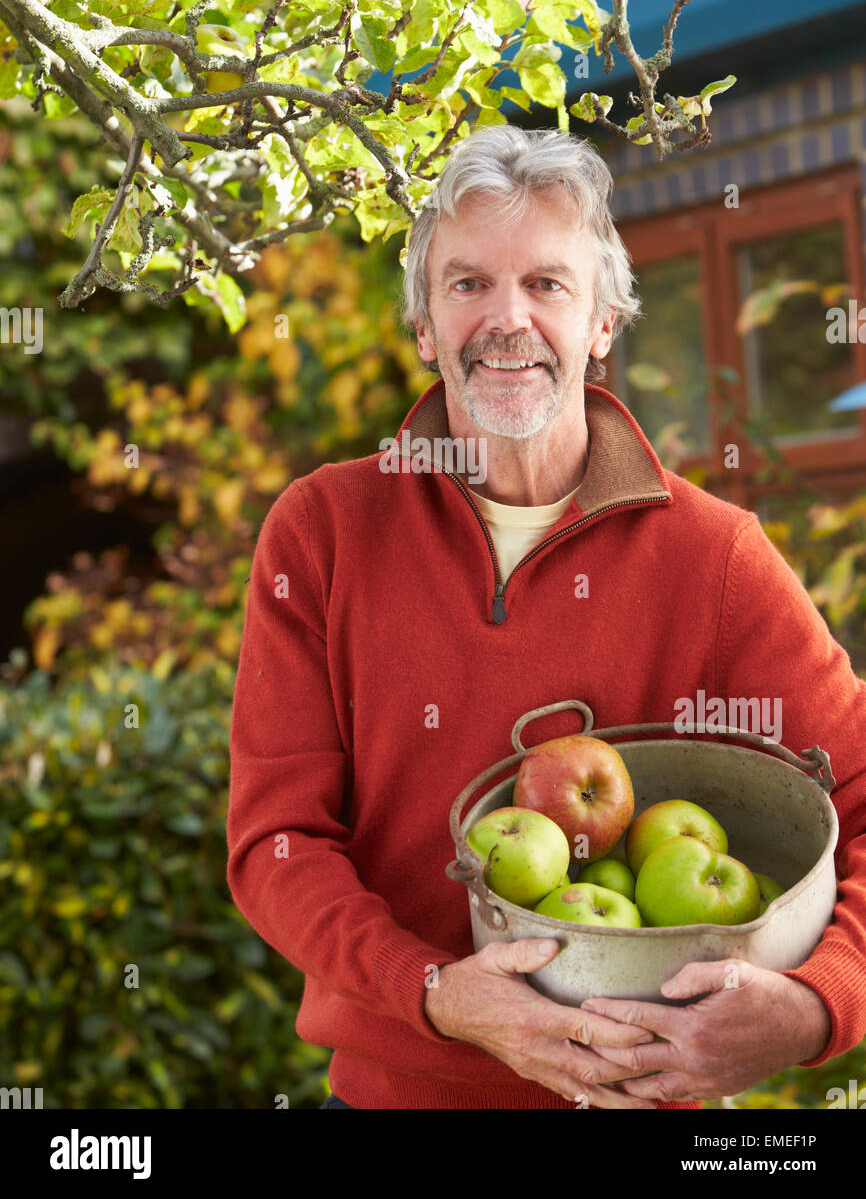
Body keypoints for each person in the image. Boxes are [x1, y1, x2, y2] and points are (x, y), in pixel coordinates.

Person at [226, 124, 866, 1110]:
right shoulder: (322, 532)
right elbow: (277, 843)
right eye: (468, 283)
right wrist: (437, 994)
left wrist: (817, 1005)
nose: (506, 319)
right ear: (424, 326)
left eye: (547, 285)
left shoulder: (713, 558)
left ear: (602, 320)